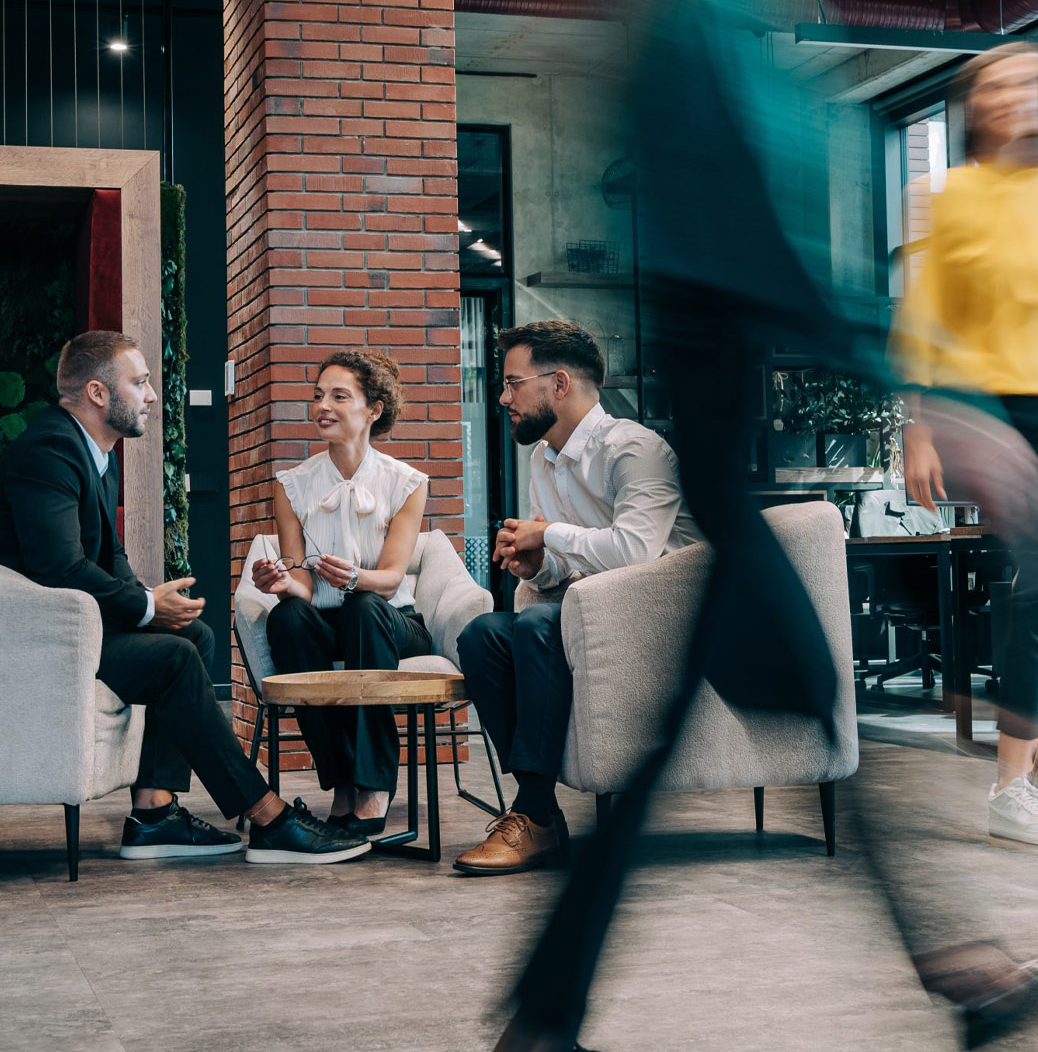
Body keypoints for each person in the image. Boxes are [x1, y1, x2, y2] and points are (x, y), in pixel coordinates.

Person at [0, 330, 369, 864]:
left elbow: (108, 555)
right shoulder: (50, 449)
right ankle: (269, 817)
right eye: (141, 382)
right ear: (98, 393)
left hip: (55, 626)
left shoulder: (92, 451)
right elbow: (59, 568)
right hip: (17, 639)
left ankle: (154, 813)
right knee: (174, 657)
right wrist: (148, 607)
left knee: (193, 635)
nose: (152, 395)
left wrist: (151, 601)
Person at [895, 41, 1038, 847]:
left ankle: (1013, 779)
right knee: (1020, 578)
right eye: (1002, 85)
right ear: (974, 106)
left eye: (1035, 83)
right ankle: (1003, 744)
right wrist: (919, 425)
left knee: (1037, 586)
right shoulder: (946, 196)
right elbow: (925, 313)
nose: (1021, 97)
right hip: (976, 399)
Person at [453, 319, 702, 876]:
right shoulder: (544, 458)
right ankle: (538, 812)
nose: (503, 398)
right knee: (482, 635)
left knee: (538, 625)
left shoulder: (635, 449)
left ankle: (532, 815)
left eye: (513, 383)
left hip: (666, 620)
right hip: (595, 616)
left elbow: (635, 552)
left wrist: (549, 535)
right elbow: (569, 562)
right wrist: (539, 564)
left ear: (559, 384)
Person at [249, 350, 431, 836]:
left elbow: (391, 578)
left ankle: (374, 783)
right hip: (328, 622)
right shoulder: (292, 485)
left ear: (374, 409)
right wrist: (285, 583)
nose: (322, 406)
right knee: (287, 618)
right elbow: (303, 584)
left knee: (364, 607)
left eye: (339, 396)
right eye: (317, 395)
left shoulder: (407, 483)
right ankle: (341, 779)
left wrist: (354, 579)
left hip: (391, 621)